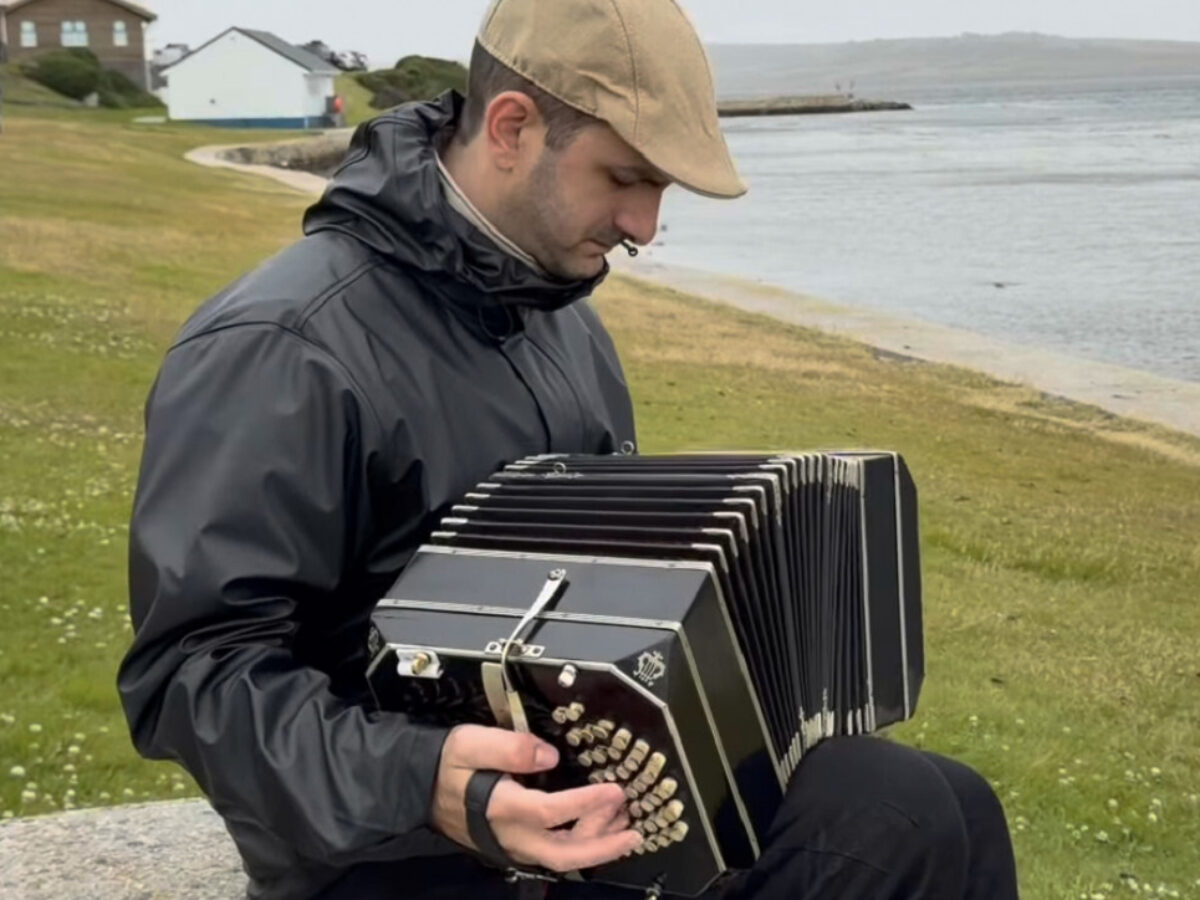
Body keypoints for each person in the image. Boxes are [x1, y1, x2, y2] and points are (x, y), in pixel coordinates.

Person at [117, 1, 1020, 898]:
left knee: (953, 801)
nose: (646, 225)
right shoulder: (282, 345)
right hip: (393, 855)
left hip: (574, 801)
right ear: (513, 127)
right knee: (901, 817)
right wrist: (427, 780)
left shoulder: (562, 324)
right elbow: (190, 675)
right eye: (626, 177)